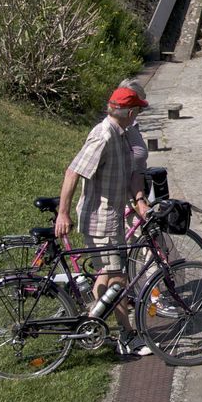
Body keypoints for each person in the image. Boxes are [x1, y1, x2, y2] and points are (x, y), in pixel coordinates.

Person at [55, 86, 153, 356]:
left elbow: (131, 172)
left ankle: (90, 324)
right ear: (130, 112)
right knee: (118, 278)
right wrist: (63, 213)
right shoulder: (104, 136)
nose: (138, 115)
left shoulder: (120, 135)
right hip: (102, 220)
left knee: (108, 274)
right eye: (138, 110)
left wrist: (140, 199)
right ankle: (126, 335)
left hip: (111, 218)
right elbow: (73, 172)